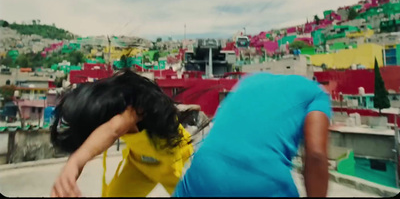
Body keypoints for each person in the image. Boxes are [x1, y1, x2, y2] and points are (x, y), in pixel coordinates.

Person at [174, 72, 332, 197]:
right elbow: (316, 155)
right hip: (263, 182)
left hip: (202, 172)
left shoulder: (248, 81)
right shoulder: (317, 94)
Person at [50, 69, 196, 197]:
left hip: (175, 164)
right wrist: (73, 169)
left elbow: (113, 129)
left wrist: (75, 162)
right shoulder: (106, 108)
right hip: (140, 166)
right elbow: (88, 145)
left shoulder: (132, 107)